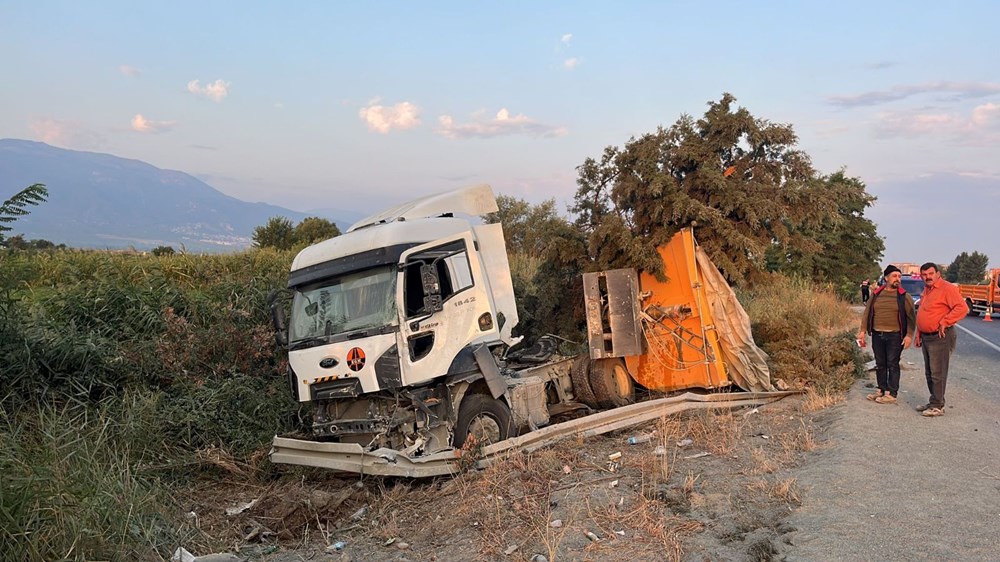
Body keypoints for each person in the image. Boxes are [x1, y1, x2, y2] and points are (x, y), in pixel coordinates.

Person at [914, 262, 969, 417]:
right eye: (924, 275)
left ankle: (937, 405)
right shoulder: (927, 290)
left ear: (938, 274)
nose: (927, 277)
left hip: (939, 337)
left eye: (930, 274)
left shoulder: (947, 288)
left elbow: (962, 308)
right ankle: (934, 401)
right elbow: (923, 312)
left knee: (937, 372)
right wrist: (919, 333)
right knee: (929, 372)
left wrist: (945, 322)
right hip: (926, 336)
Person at [858, 265, 916, 404]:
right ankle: (881, 389)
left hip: (895, 336)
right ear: (886, 278)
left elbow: (911, 318)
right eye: (895, 276)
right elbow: (867, 313)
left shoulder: (904, 296)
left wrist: (909, 335)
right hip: (878, 334)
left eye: (899, 276)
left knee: (892, 364)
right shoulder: (877, 294)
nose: (898, 279)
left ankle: (892, 393)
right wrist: (862, 331)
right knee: (880, 363)